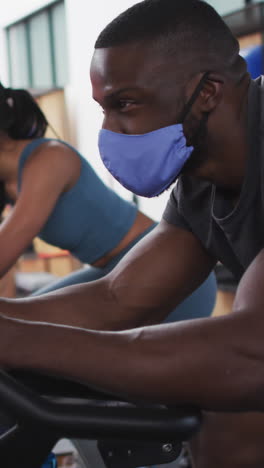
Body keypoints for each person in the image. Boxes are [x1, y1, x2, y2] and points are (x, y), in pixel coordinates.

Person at [0, 0, 264, 467]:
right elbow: (119, 299)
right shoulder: (201, 177)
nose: (109, 131)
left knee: (230, 414)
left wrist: (19, 341)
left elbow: (250, 352)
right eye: (104, 107)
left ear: (207, 92)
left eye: (125, 103)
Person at [0, 81, 216, 318]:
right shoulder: (8, 183)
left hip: (166, 266)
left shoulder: (49, 158)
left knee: (24, 328)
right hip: (110, 273)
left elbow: (5, 251)